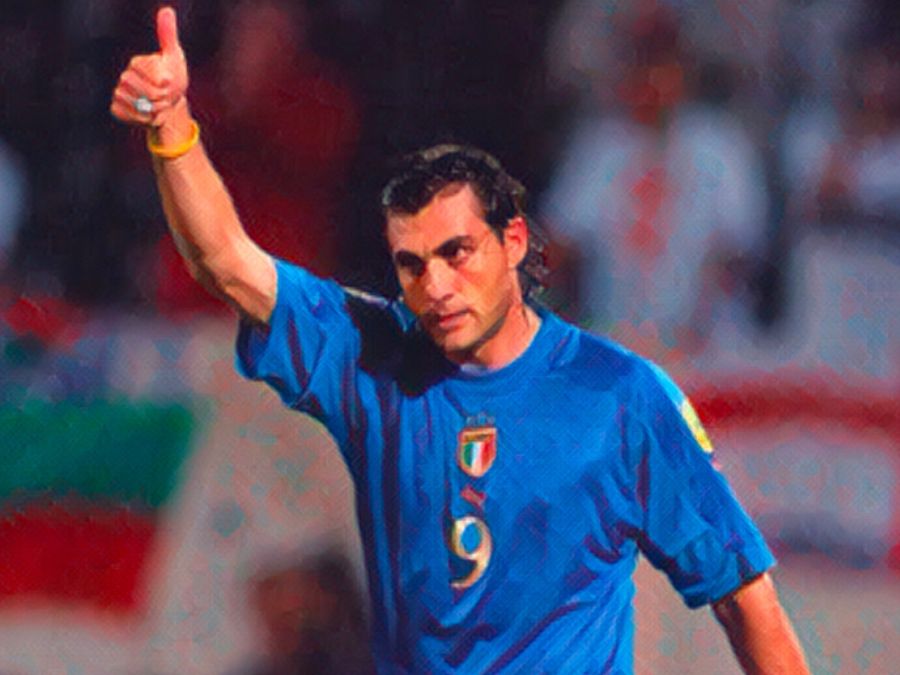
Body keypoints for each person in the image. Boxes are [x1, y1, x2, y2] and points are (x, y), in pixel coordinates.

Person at [110, 7, 809, 673]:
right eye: (412, 264)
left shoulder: (622, 395)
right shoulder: (374, 357)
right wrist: (173, 130)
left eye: (456, 253)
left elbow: (744, 595)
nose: (436, 284)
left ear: (514, 242)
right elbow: (226, 261)